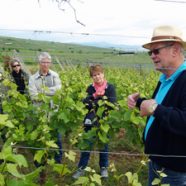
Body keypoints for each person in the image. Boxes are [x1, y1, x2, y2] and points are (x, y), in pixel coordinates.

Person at [127, 25, 186, 186]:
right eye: (150, 52)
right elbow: (164, 107)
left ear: (175, 50)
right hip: (157, 163)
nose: (152, 56)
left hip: (175, 171)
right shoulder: (166, 78)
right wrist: (139, 102)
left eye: (156, 51)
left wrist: (154, 108)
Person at [72, 64, 116, 179]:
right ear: (92, 77)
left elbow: (112, 105)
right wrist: (96, 96)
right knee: (87, 145)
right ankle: (81, 168)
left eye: (99, 74)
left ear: (103, 74)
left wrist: (94, 101)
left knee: (104, 146)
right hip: (90, 121)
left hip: (104, 122)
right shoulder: (90, 88)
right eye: (94, 75)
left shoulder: (110, 88)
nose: (97, 77)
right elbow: (85, 103)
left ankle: (103, 168)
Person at [28, 52, 62, 183]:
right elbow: (33, 95)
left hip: (53, 112)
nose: (45, 64)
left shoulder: (55, 75)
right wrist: (49, 92)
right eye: (43, 62)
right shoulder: (33, 78)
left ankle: (58, 162)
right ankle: (39, 165)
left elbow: (58, 90)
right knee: (39, 138)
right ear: (39, 63)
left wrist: (42, 91)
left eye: (48, 62)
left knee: (56, 137)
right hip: (40, 114)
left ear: (50, 63)